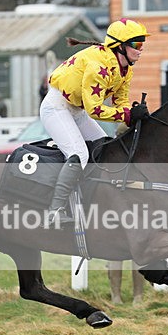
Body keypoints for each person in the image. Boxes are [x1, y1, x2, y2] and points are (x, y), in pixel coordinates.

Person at [41, 18, 150, 224]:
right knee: (79, 154)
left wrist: (134, 113)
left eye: (142, 44)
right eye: (136, 44)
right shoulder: (98, 65)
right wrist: (127, 116)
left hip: (75, 110)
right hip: (56, 108)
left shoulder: (125, 68)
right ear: (120, 46)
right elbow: (95, 109)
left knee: (105, 148)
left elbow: (121, 101)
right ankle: (55, 211)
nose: (141, 49)